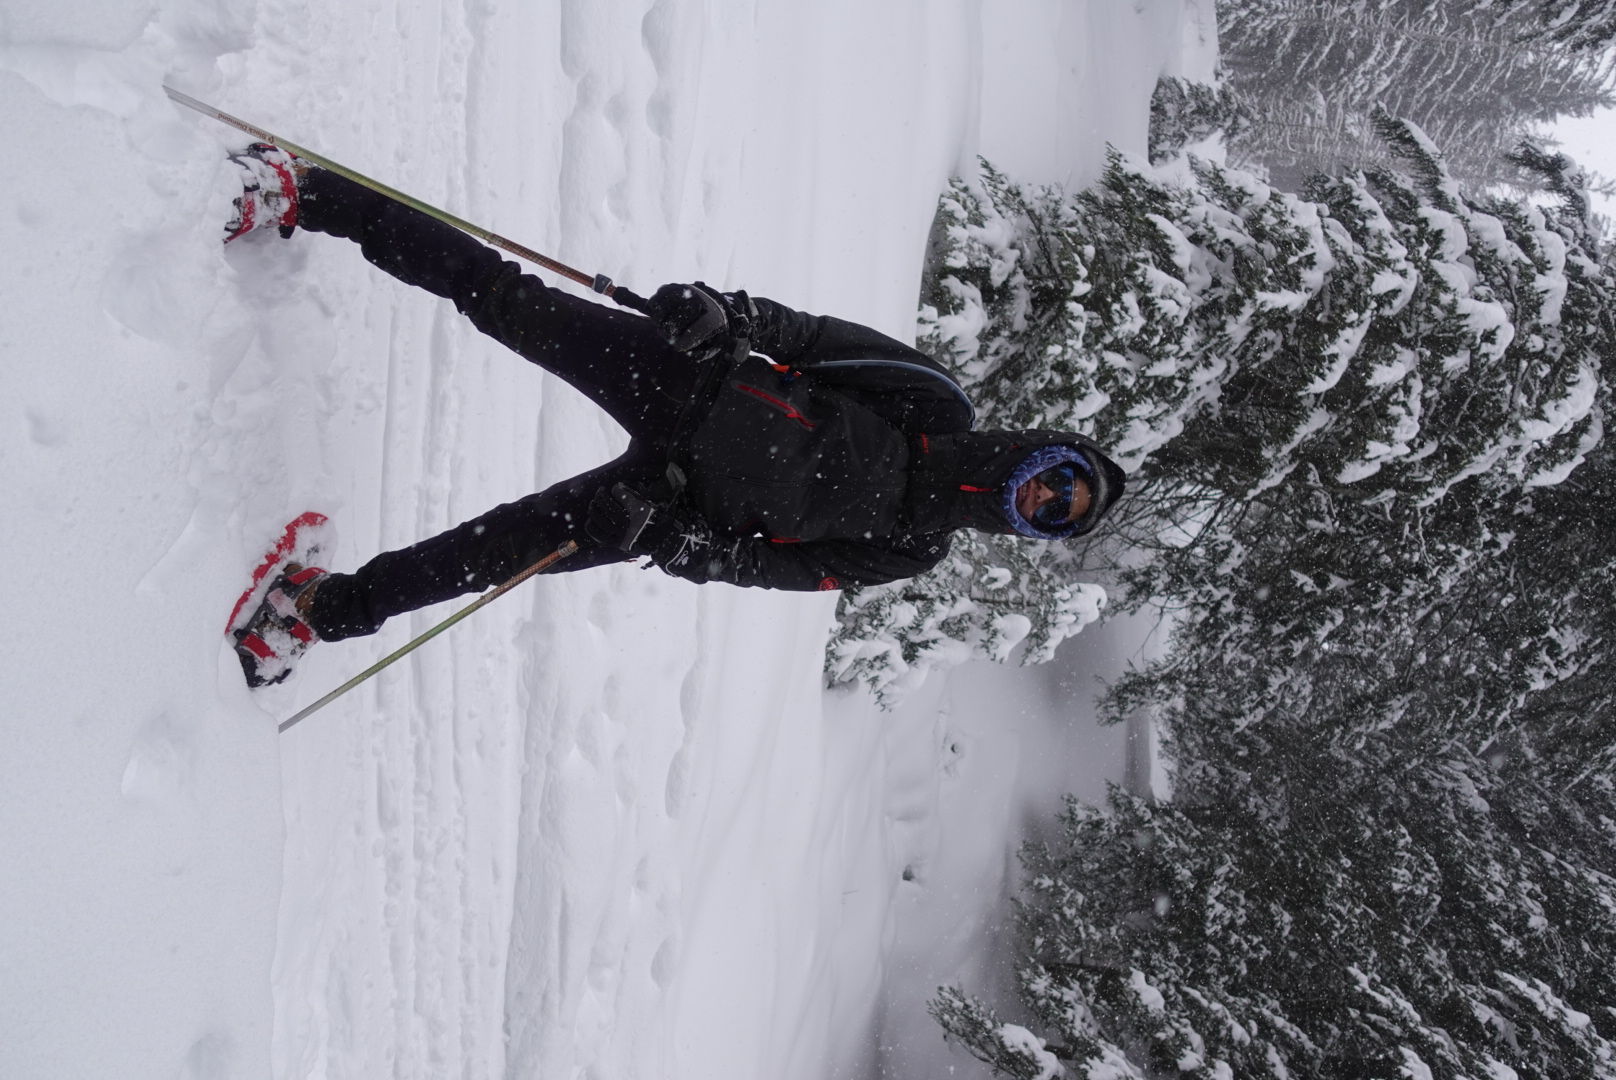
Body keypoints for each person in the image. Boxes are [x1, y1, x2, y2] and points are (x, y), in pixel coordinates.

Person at [224, 144, 1127, 687]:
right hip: (686, 381)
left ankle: (315, 610)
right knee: (501, 297)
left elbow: (770, 570)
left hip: (664, 502)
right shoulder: (939, 405)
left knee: (489, 553)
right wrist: (721, 315)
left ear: (1034, 530)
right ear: (1048, 452)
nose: (1044, 498)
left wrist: (671, 541)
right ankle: (308, 195)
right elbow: (808, 339)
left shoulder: (912, 549)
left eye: (1056, 516)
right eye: (1062, 481)